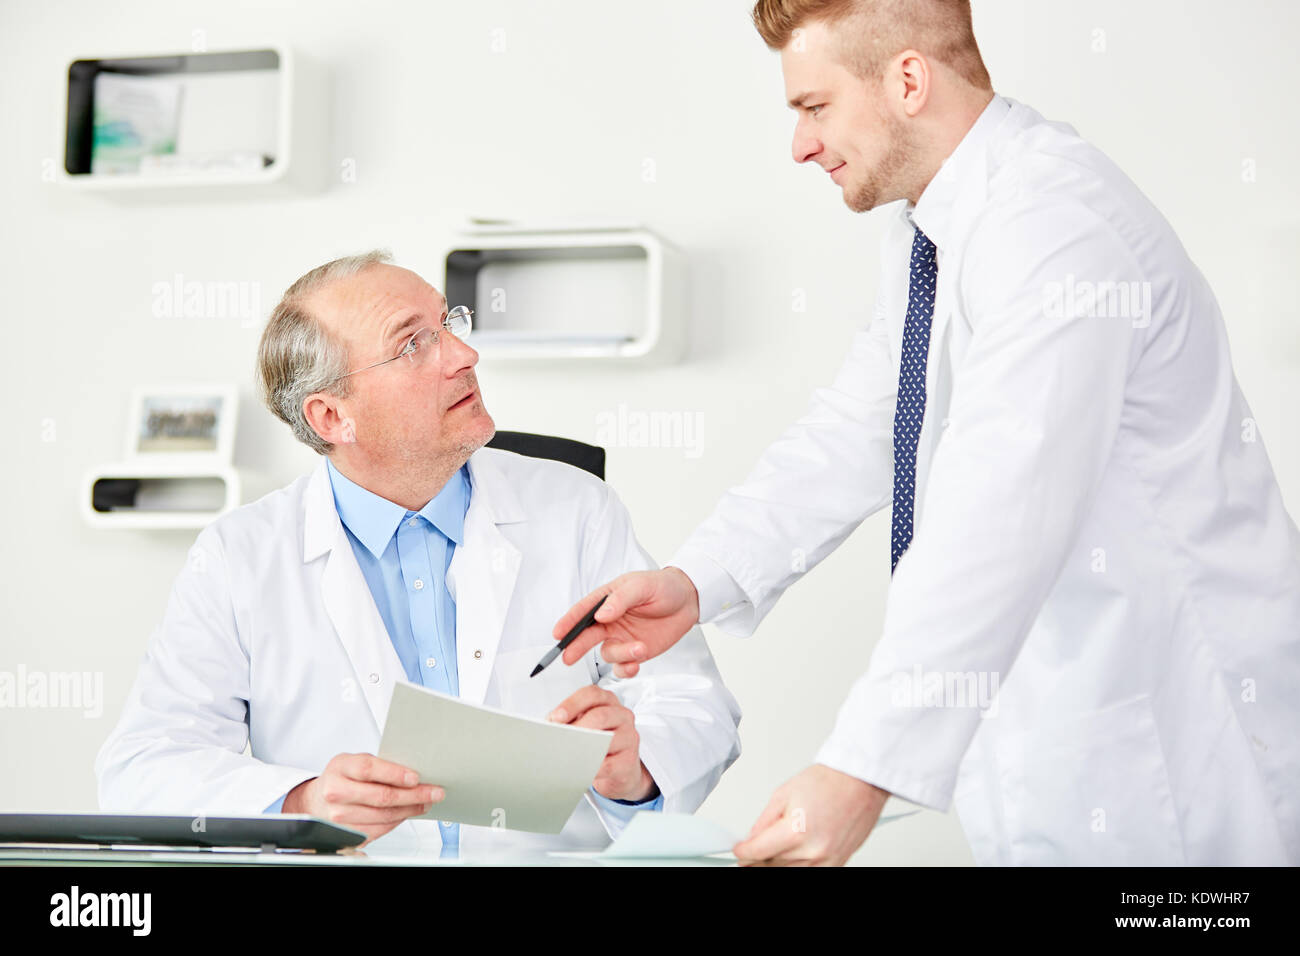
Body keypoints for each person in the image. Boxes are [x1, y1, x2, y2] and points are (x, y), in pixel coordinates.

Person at [553, 0, 1300, 866]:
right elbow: (863, 427)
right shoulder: (936, 227)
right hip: (1069, 733)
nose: (800, 145)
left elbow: (1000, 514)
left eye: (813, 107)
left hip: (1177, 758)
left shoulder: (1054, 228)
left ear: (908, 80)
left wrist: (858, 770)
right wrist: (698, 580)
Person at [96, 251, 742, 856]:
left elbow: (693, 702)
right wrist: (302, 801)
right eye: (413, 344)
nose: (464, 354)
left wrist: (634, 771)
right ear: (331, 418)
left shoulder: (574, 507)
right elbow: (145, 764)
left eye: (448, 323)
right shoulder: (241, 556)